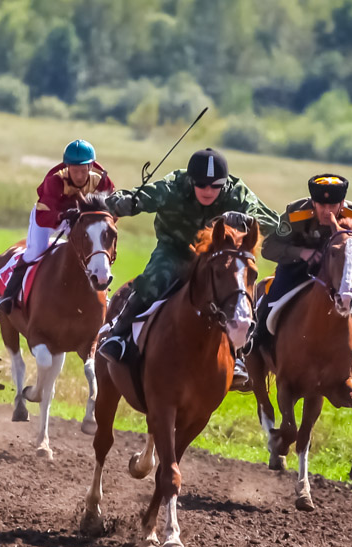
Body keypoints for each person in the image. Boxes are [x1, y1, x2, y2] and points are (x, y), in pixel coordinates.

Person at [99, 148, 279, 388]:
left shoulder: (237, 193)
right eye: (202, 185)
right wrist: (126, 202)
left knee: (236, 288)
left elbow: (273, 222)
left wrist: (245, 219)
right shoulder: (174, 185)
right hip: (175, 250)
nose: (208, 191)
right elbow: (143, 196)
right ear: (191, 180)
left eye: (215, 186)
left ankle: (241, 354)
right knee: (154, 280)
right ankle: (118, 335)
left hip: (216, 257)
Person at [255, 173, 352, 379]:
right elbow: (269, 248)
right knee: (272, 296)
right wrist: (301, 253)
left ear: (342, 203)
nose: (327, 211)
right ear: (312, 202)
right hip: (298, 269)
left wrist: (350, 265)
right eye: (321, 205)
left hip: (343, 274)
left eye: (333, 205)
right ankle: (256, 342)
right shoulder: (295, 213)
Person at [0, 139, 116, 314]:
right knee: (35, 250)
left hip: (80, 222)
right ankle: (10, 294)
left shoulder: (102, 181)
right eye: (75, 171)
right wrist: (62, 215)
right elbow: (44, 215)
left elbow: (112, 210)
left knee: (92, 250)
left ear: (91, 167)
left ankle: (101, 293)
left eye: (83, 171)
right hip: (48, 218)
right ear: (67, 167)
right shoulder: (55, 180)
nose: (80, 176)